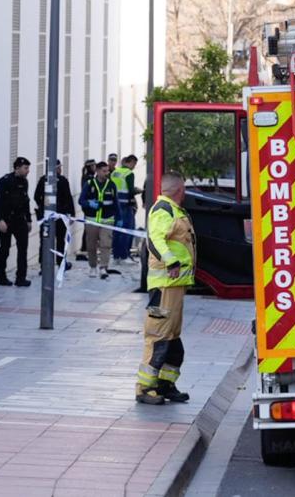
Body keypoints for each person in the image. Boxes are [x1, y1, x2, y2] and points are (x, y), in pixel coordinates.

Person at [136, 172, 197, 405]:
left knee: (172, 339)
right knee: (158, 337)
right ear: (180, 190)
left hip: (174, 286)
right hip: (163, 288)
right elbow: (155, 240)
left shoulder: (173, 209)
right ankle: (144, 388)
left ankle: (165, 385)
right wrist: (171, 260)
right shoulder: (164, 209)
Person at [0, 157, 33, 287]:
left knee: (23, 249)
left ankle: (21, 278)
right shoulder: (5, 181)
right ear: (17, 168)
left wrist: (29, 219)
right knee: (4, 249)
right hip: (6, 220)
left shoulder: (24, 182)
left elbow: (26, 201)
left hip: (20, 220)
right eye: (25, 168)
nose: (28, 171)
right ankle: (1, 277)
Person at [79, 162, 118, 278]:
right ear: (97, 171)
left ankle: (103, 267)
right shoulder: (89, 184)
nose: (107, 173)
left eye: (107, 171)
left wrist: (119, 217)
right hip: (92, 220)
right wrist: (89, 204)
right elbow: (81, 200)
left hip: (107, 220)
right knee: (91, 245)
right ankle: (92, 266)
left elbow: (116, 203)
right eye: (104, 171)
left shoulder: (111, 185)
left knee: (106, 244)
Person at [34, 160, 75, 271]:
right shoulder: (60, 180)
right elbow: (68, 198)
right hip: (58, 215)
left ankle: (46, 265)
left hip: (49, 216)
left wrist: (43, 207)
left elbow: (36, 197)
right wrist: (70, 213)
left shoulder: (44, 180)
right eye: (58, 167)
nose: (60, 169)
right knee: (57, 240)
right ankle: (59, 263)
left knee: (47, 240)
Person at [111, 155, 141, 262]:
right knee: (128, 230)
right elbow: (131, 190)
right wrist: (138, 190)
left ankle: (116, 255)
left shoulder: (115, 172)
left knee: (117, 231)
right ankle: (124, 255)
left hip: (115, 205)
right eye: (134, 164)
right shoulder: (129, 173)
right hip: (125, 205)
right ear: (131, 162)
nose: (134, 167)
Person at [77, 159, 96, 259]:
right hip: (88, 205)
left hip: (90, 205)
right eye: (93, 166)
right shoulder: (87, 178)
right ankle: (85, 248)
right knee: (88, 228)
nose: (95, 168)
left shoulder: (91, 177)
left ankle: (87, 247)